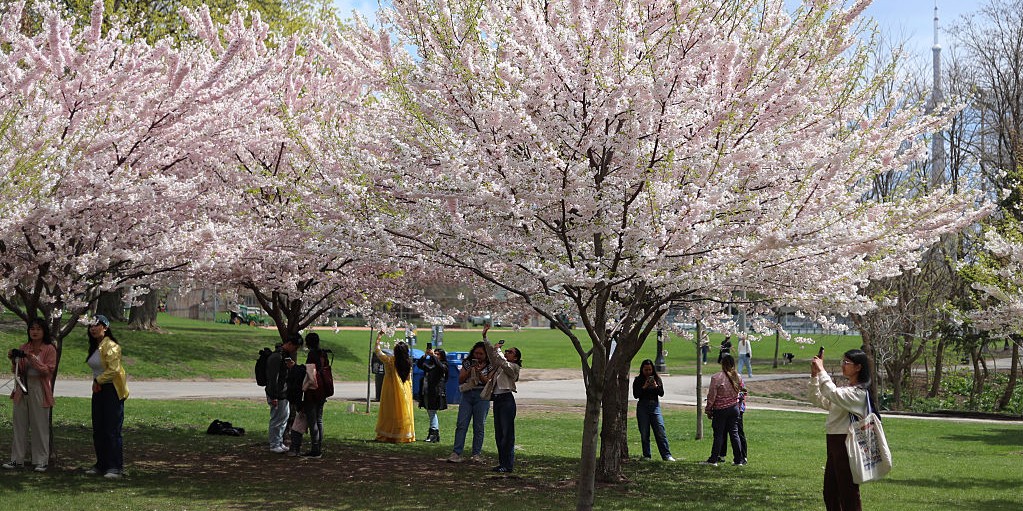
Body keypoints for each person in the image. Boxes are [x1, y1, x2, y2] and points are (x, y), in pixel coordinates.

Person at [809, 349, 872, 511]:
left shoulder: (859, 393)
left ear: (858, 367)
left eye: (846, 363)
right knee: (830, 491)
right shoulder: (846, 391)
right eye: (842, 362)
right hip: (834, 443)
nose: (843, 365)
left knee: (848, 491)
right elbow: (818, 399)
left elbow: (832, 392)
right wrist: (815, 376)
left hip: (847, 444)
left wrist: (822, 370)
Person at [4, 318, 58, 472]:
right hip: (22, 387)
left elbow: (47, 370)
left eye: (38, 329)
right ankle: (16, 459)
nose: (34, 332)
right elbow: (19, 370)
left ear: (44, 331)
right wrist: (14, 359)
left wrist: (31, 358)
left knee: (39, 425)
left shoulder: (49, 349)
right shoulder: (24, 347)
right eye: (32, 329)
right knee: (19, 425)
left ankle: (41, 460)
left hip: (39, 388)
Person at [85, 315, 130, 478]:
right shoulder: (95, 346)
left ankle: (115, 466)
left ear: (105, 327)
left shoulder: (111, 346)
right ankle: (101, 464)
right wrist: (97, 382)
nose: (93, 328)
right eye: (91, 326)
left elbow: (114, 370)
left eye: (97, 325)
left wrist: (98, 380)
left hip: (112, 390)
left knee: (112, 429)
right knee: (99, 429)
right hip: (99, 390)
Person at [482, 324, 521, 472]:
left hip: (506, 401)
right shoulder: (500, 365)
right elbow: (493, 356)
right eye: (506, 351)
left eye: (510, 352)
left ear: (515, 357)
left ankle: (508, 464)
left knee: (507, 434)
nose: (507, 352)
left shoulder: (514, 367)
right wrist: (485, 338)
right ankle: (502, 463)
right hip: (497, 401)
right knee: (499, 434)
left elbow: (504, 364)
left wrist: (498, 351)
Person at [446, 339, 492, 463]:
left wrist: (479, 372)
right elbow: (460, 379)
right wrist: (470, 369)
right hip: (467, 394)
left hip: (481, 396)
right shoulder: (467, 363)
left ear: (486, 355)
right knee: (461, 424)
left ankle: (476, 454)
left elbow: (488, 381)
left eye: (481, 354)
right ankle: (456, 452)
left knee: (479, 425)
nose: (478, 356)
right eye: (476, 353)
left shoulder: (490, 365)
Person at [702, 354, 744, 466]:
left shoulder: (716, 378)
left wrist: (708, 409)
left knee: (719, 434)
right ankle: (738, 459)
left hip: (720, 409)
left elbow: (712, 395)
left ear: (722, 364)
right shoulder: (738, 377)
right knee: (734, 434)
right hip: (734, 408)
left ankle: (714, 458)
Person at [374, 332, 415, 443]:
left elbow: (378, 351)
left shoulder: (389, 361)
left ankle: (388, 434)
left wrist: (379, 337)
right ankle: (403, 434)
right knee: (403, 412)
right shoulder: (408, 363)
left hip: (390, 389)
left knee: (389, 412)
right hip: (404, 389)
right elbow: (408, 379)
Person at [632, 359, 675, 462]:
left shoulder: (657, 379)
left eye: (650, 369)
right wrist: (644, 387)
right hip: (643, 407)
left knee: (660, 430)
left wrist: (656, 386)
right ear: (642, 369)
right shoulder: (638, 380)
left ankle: (666, 455)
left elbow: (661, 393)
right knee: (644, 432)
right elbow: (636, 395)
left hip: (654, 406)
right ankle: (647, 455)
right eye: (646, 370)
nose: (648, 372)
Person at [266, 335, 302, 454]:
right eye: (295, 347)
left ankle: (278, 441)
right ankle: (274, 443)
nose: (295, 350)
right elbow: (273, 378)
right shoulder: (277, 357)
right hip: (277, 393)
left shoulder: (283, 356)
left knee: (283, 418)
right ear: (290, 344)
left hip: (283, 393)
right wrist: (274, 396)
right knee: (277, 419)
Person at [301, 332, 327, 458]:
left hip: (313, 390)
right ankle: (318, 446)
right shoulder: (323, 353)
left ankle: (315, 448)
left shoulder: (312, 355)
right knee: (319, 419)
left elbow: (310, 373)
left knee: (313, 420)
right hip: (322, 390)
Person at [416, 346, 449, 443]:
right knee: (430, 412)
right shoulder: (431, 365)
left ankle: (434, 433)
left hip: (436, 393)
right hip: (427, 391)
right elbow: (419, 364)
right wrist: (425, 355)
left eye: (438, 354)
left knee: (432, 412)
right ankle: (434, 434)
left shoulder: (443, 365)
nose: (435, 355)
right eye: (435, 353)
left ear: (442, 356)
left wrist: (433, 356)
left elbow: (440, 367)